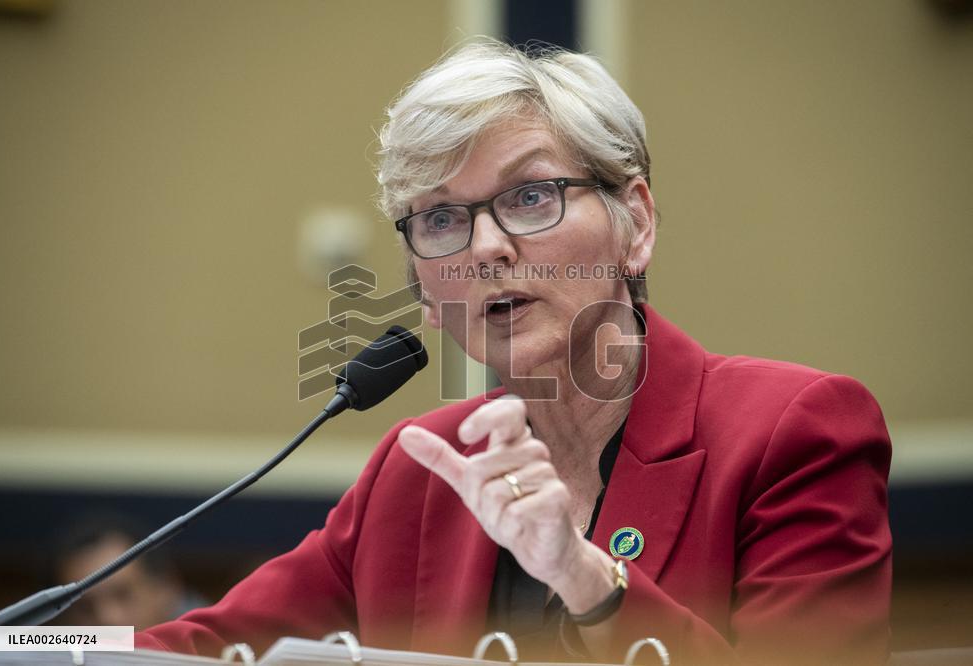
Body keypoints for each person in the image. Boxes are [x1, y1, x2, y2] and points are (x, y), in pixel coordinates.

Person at [136, 41, 891, 665]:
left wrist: (590, 580)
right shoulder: (419, 468)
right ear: (426, 295)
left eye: (531, 196)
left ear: (636, 223)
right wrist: (38, 638)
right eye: (440, 217)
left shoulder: (794, 432)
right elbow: (194, 645)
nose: (489, 247)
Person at [53, 513, 203, 631]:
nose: (108, 619)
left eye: (123, 594)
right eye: (86, 608)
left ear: (167, 587)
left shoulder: (216, 651)